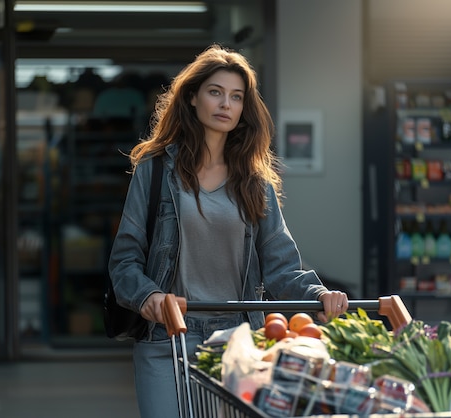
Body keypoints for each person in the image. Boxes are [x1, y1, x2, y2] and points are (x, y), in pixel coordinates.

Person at [108, 44, 349, 417]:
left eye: (236, 97)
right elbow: (124, 261)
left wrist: (319, 294)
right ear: (192, 98)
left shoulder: (255, 183)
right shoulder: (154, 171)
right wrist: (148, 297)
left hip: (235, 342)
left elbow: (282, 267)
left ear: (243, 109)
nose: (225, 104)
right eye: (215, 92)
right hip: (167, 337)